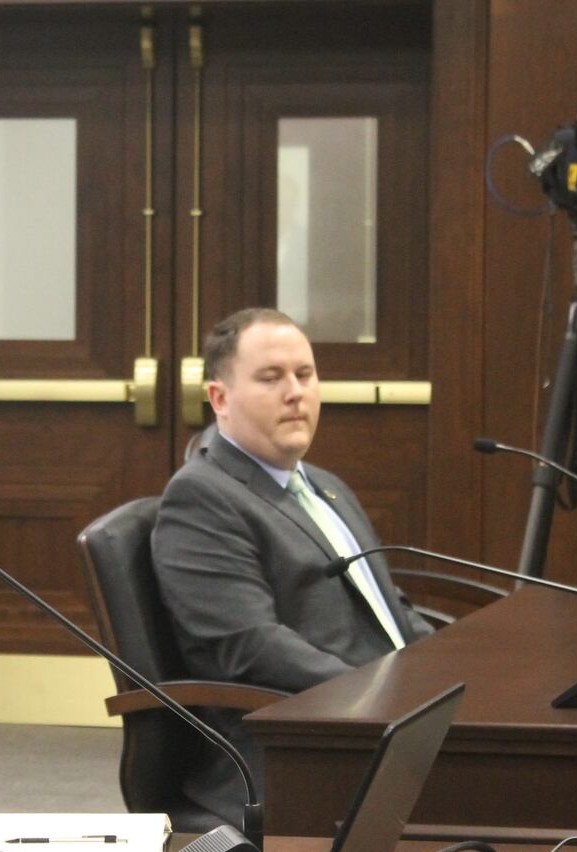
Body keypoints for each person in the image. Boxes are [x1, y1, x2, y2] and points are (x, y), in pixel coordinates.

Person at [151, 307, 435, 824]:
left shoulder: (324, 486)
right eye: (271, 378)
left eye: (305, 375)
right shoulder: (202, 497)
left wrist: (449, 664)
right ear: (219, 398)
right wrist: (380, 693)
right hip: (303, 748)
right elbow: (249, 647)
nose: (295, 392)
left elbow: (388, 612)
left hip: (381, 724)